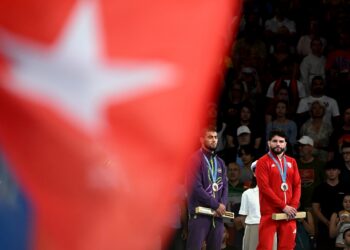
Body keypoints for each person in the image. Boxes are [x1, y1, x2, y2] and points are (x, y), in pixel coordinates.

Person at [255, 129, 301, 250]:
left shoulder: (292, 162)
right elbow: (264, 188)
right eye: (275, 141)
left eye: (281, 141)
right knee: (265, 247)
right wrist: (283, 206)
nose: (278, 144)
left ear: (285, 144)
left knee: (288, 247)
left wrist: (293, 206)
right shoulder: (262, 162)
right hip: (270, 212)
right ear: (269, 143)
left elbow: (297, 185)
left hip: (289, 213)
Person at [186, 127, 228, 250]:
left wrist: (222, 205)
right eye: (210, 137)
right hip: (200, 215)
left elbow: (225, 187)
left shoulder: (220, 162)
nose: (214, 140)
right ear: (201, 139)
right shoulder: (194, 160)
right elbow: (195, 188)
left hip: (217, 215)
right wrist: (216, 205)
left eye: (215, 137)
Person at [239, 160, 277, 250]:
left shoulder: (276, 194)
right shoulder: (247, 193)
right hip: (253, 227)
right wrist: (252, 229)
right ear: (255, 174)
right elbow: (243, 217)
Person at [311, 161, 349, 250]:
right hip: (324, 225)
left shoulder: (346, 187)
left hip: (344, 224)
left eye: (334, 170)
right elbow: (315, 208)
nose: (331, 172)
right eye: (329, 170)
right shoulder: (319, 189)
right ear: (325, 172)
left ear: (339, 171)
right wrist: (327, 222)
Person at [296, 135, 325, 211]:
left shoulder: (320, 164)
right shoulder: (295, 163)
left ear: (311, 148)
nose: (300, 148)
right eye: (300, 146)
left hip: (314, 206)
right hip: (297, 205)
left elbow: (324, 184)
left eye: (303, 146)